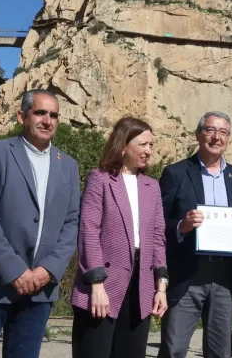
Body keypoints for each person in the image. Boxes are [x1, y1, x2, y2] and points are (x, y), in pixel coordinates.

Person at [0, 90, 80, 358]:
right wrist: (14, 271)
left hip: (40, 289)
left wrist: (48, 270)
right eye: (40, 113)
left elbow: (72, 223)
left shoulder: (68, 166)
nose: (48, 120)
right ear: (22, 116)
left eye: (54, 115)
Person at [158, 111, 232, 358]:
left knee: (220, 352)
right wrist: (180, 226)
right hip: (186, 276)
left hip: (225, 279)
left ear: (228, 139)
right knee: (173, 350)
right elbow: (156, 224)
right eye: (210, 130)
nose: (216, 137)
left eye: (223, 132)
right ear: (198, 135)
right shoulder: (175, 173)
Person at [71, 117, 168, 358]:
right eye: (143, 144)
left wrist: (161, 286)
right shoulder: (100, 179)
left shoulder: (152, 187)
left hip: (141, 289)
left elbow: (158, 238)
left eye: (151, 145)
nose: (149, 150)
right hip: (103, 285)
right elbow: (89, 232)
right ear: (123, 145)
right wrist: (96, 284)